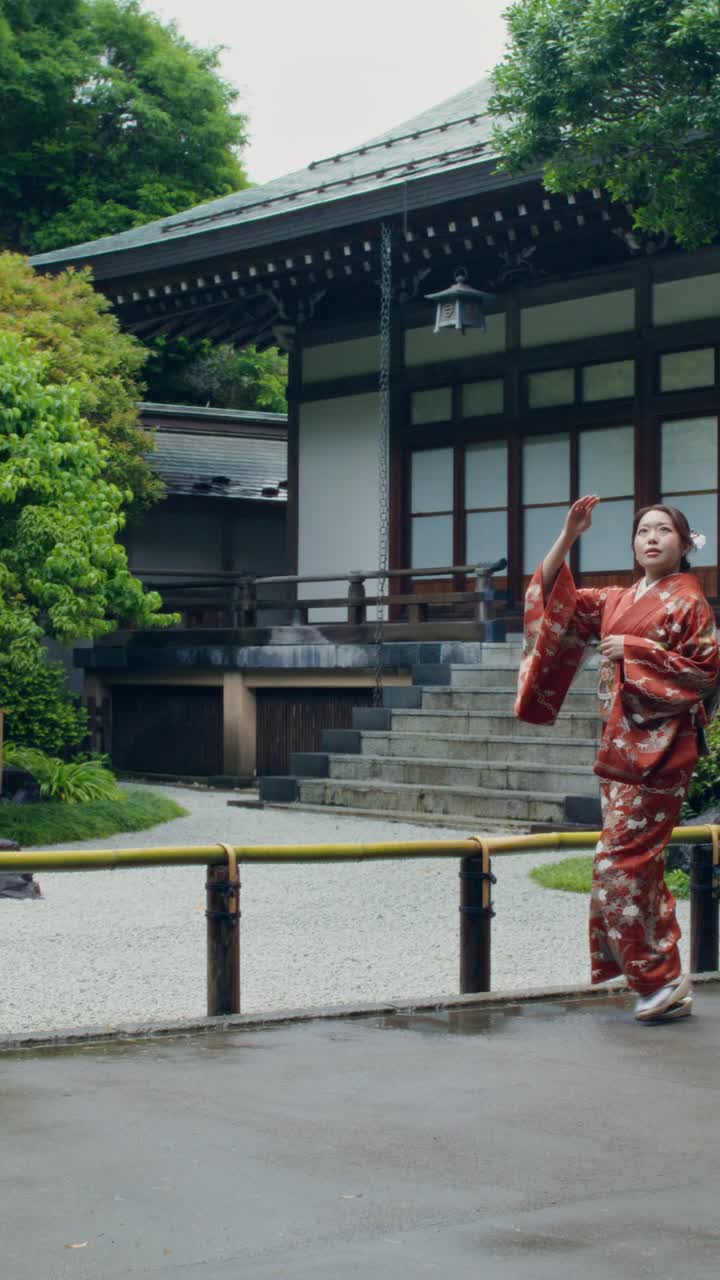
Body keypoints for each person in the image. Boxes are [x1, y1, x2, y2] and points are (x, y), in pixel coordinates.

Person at [515, 496, 720, 1022]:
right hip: (621, 750)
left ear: (684, 543)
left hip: (662, 752)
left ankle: (657, 981)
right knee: (640, 866)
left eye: (664, 531)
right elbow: (555, 606)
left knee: (617, 863)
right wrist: (568, 536)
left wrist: (636, 649)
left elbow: (705, 673)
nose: (651, 538)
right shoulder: (618, 598)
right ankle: (665, 975)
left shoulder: (689, 602)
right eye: (643, 531)